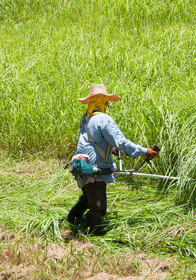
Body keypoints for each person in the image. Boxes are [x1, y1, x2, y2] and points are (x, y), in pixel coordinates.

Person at [66, 84, 158, 235]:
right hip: (94, 169)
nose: (108, 104)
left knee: (86, 199)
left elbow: (90, 142)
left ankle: (70, 223)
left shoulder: (86, 118)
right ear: (100, 101)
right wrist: (144, 152)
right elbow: (122, 142)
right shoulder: (103, 119)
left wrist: (110, 150)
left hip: (80, 165)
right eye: (106, 101)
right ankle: (90, 239)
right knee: (98, 207)